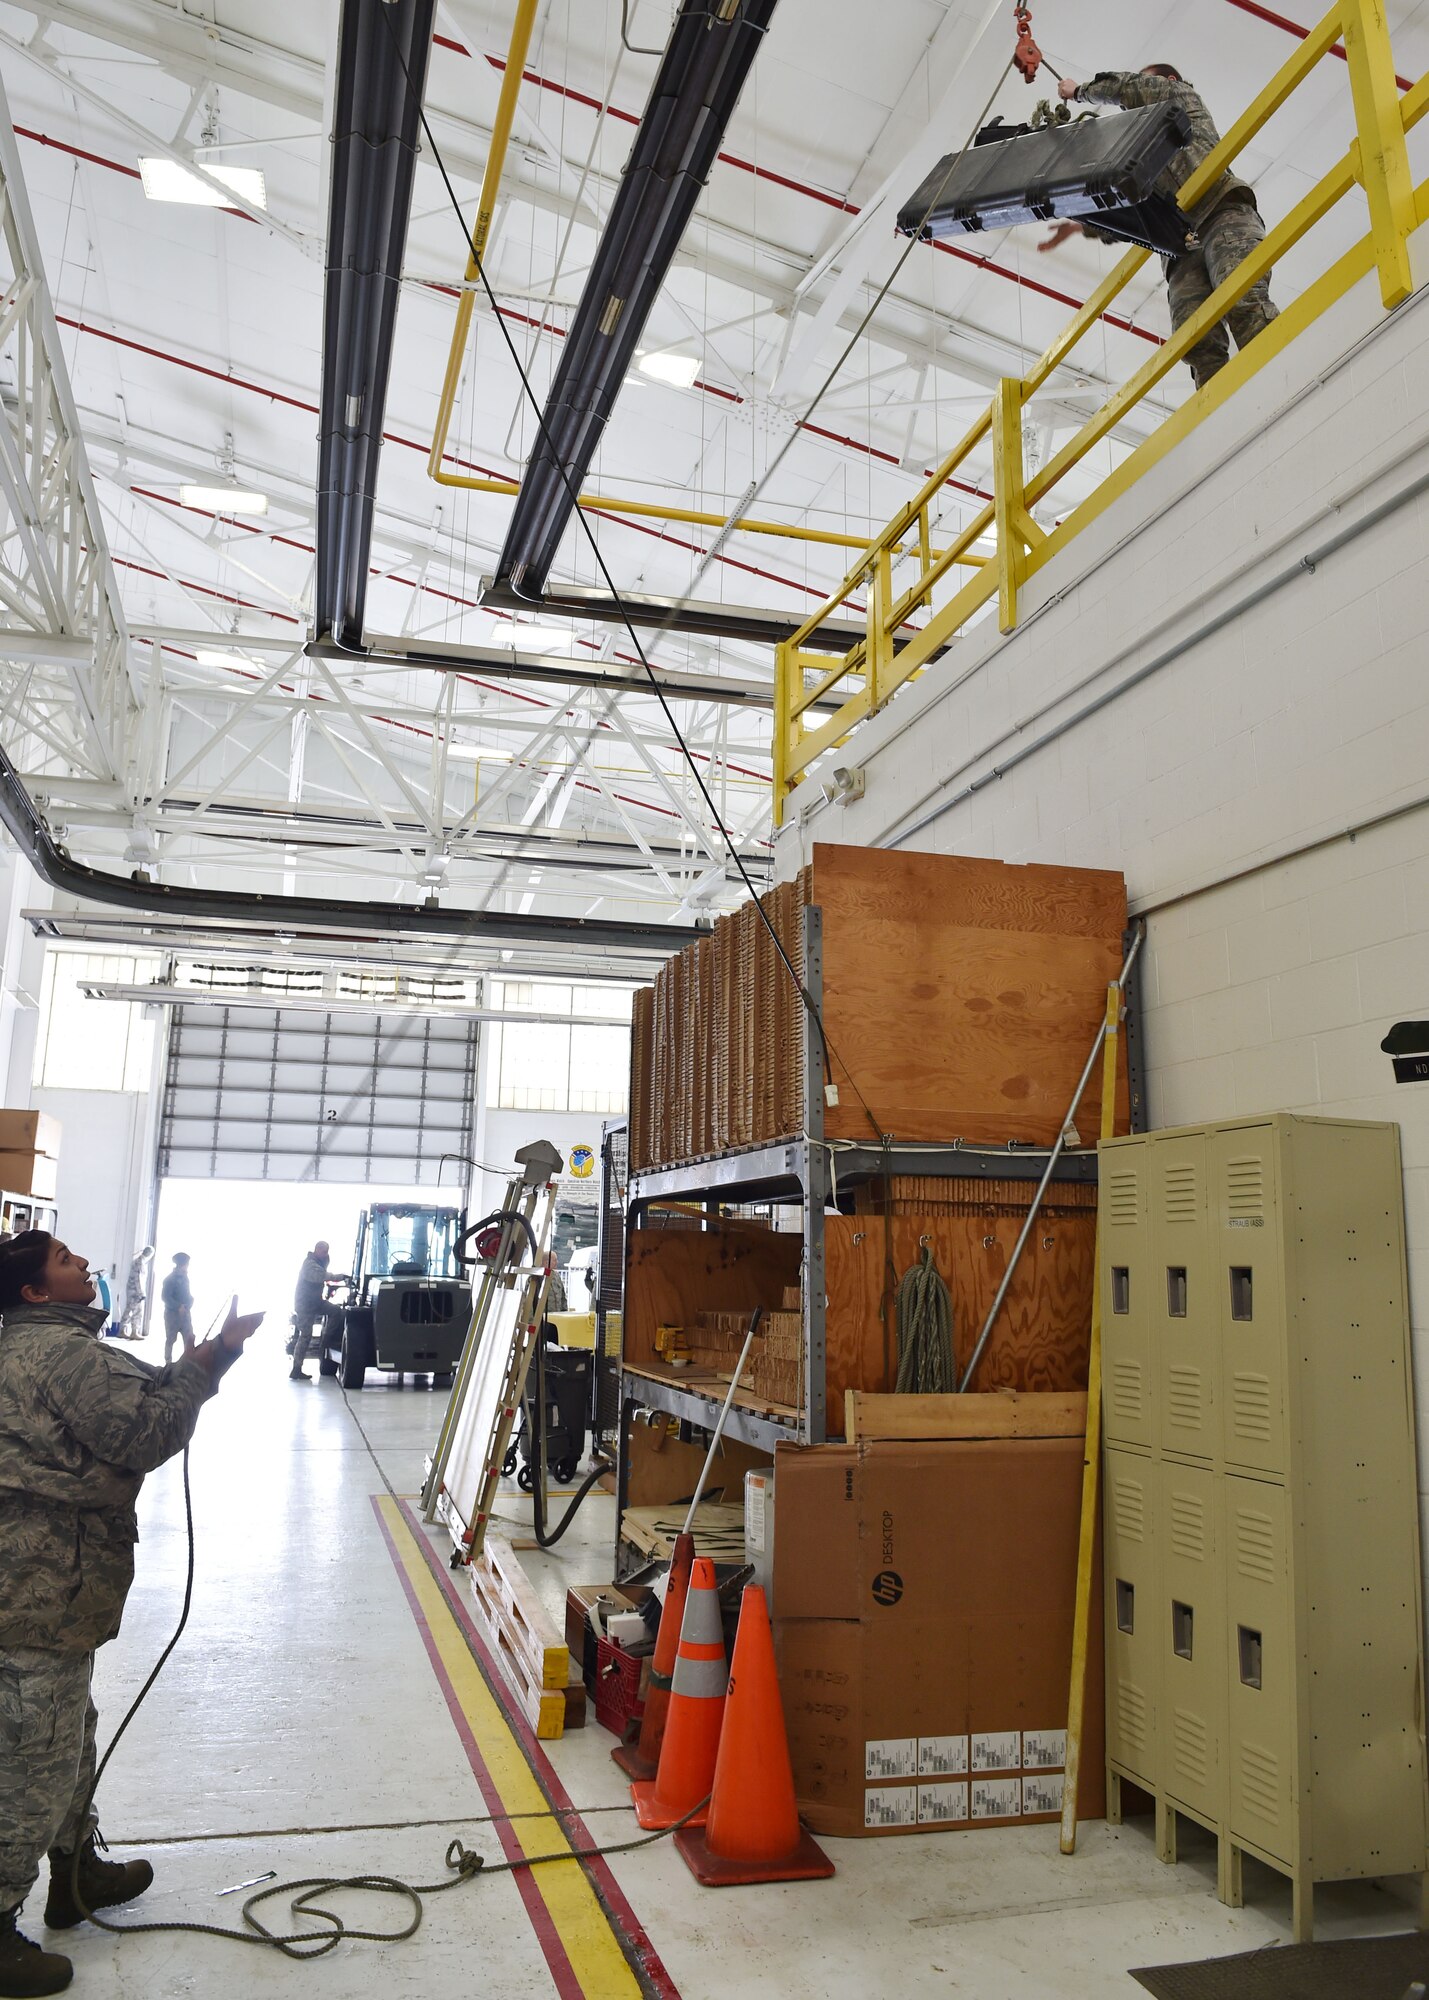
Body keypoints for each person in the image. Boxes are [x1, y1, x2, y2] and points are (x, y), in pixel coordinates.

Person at [0, 1229, 262, 1996]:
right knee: (31, 1761)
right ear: (36, 1292)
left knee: (65, 1733)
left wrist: (207, 1356)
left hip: (43, 1585)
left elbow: (138, 1389)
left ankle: (75, 1873)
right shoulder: (63, 1354)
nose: (81, 1263)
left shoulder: (46, 1344)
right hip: (39, 1583)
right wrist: (209, 1367)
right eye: (63, 1261)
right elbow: (146, 1431)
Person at [1039, 65, 1278, 391]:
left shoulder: (1180, 98)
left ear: (1168, 81)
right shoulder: (1140, 155)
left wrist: (1076, 91)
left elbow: (1127, 86)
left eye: (1150, 81)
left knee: (1243, 301)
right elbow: (1132, 212)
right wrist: (1080, 227)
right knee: (1194, 340)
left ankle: (1283, 379)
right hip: (1181, 246)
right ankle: (1222, 413)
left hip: (1221, 213)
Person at [290, 1239, 338, 1382]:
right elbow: (320, 1276)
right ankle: (296, 1369)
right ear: (317, 1250)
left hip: (315, 1302)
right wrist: (338, 1277)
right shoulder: (309, 1264)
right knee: (305, 1335)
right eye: (323, 1251)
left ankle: (327, 1337)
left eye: (327, 1252)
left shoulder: (321, 1262)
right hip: (305, 1305)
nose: (325, 1254)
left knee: (336, 1311)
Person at [159, 1251, 193, 1365]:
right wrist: (178, 1306)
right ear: (181, 1265)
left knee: (188, 1338)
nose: (187, 1266)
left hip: (185, 1314)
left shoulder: (185, 1278)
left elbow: (187, 1294)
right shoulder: (169, 1279)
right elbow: (165, 1297)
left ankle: (188, 1362)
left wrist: (190, 1302)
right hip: (172, 1315)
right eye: (186, 1264)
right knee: (171, 1339)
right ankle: (168, 1363)